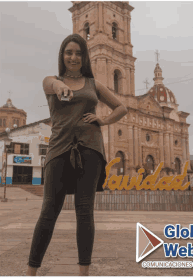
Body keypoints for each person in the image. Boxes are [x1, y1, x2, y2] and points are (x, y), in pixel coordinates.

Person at [26, 33, 128, 276]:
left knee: (85, 212)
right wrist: (61, 86)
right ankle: (30, 272)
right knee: (49, 211)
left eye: (78, 53)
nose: (73, 57)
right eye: (69, 52)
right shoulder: (51, 80)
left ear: (85, 57)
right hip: (59, 149)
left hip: (90, 150)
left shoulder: (93, 84)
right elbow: (52, 85)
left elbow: (122, 107)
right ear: (62, 55)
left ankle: (84, 272)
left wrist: (102, 120)